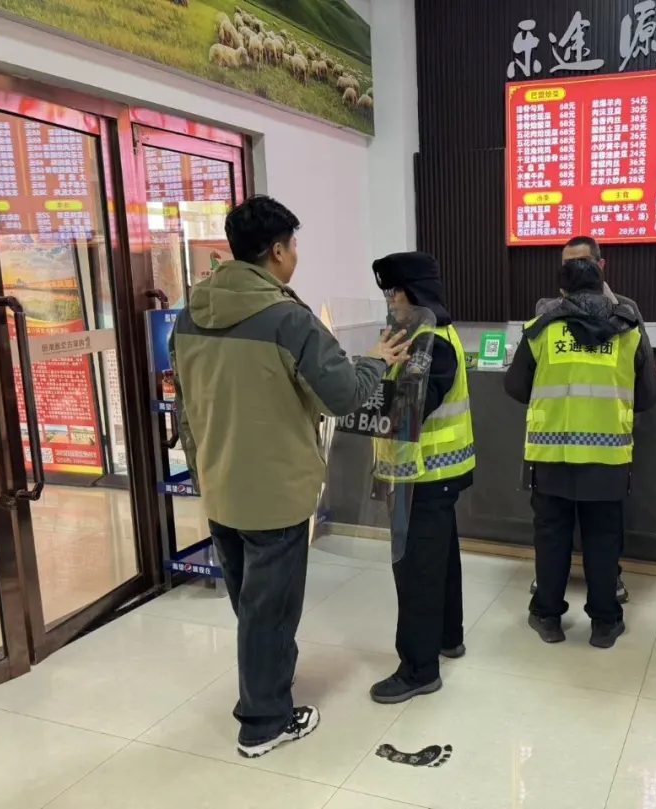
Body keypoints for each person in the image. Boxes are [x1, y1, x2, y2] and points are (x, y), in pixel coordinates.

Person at [169, 195, 409, 759]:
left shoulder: (189, 313)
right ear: (277, 251)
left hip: (219, 483)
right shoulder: (288, 319)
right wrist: (376, 359)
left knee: (251, 605)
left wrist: (202, 465)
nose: (295, 255)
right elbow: (344, 396)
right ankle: (264, 723)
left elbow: (185, 401)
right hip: (274, 491)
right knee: (269, 611)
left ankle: (267, 683)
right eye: (294, 245)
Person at [505, 257, 656, 648]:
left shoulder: (541, 331)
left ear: (563, 291)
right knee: (603, 540)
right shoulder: (628, 331)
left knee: (552, 538)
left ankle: (548, 618)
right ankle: (605, 624)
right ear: (602, 285)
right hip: (608, 459)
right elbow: (649, 395)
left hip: (551, 455)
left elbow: (515, 386)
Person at [367, 251, 476, 704]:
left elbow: (407, 412)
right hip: (432, 474)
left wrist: (366, 378)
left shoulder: (429, 342)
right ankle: (448, 637)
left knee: (418, 572)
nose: (390, 301)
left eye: (394, 292)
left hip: (425, 476)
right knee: (440, 561)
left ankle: (418, 669)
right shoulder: (420, 336)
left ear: (412, 293)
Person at [527, 235, 650, 604]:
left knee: (603, 528)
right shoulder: (547, 310)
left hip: (607, 435)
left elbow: (643, 376)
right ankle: (554, 588)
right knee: (555, 526)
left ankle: (607, 583)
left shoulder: (625, 310)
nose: (576, 270)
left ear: (600, 265)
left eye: (582, 262)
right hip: (555, 436)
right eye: (568, 264)